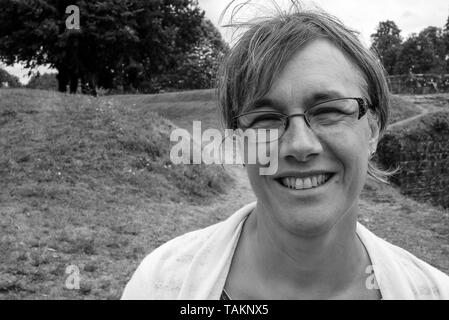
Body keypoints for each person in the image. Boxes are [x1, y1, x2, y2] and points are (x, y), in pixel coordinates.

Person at [121, 1, 449, 299]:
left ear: (373, 129)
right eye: (265, 118)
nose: (300, 145)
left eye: (329, 110)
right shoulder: (159, 284)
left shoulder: (434, 292)